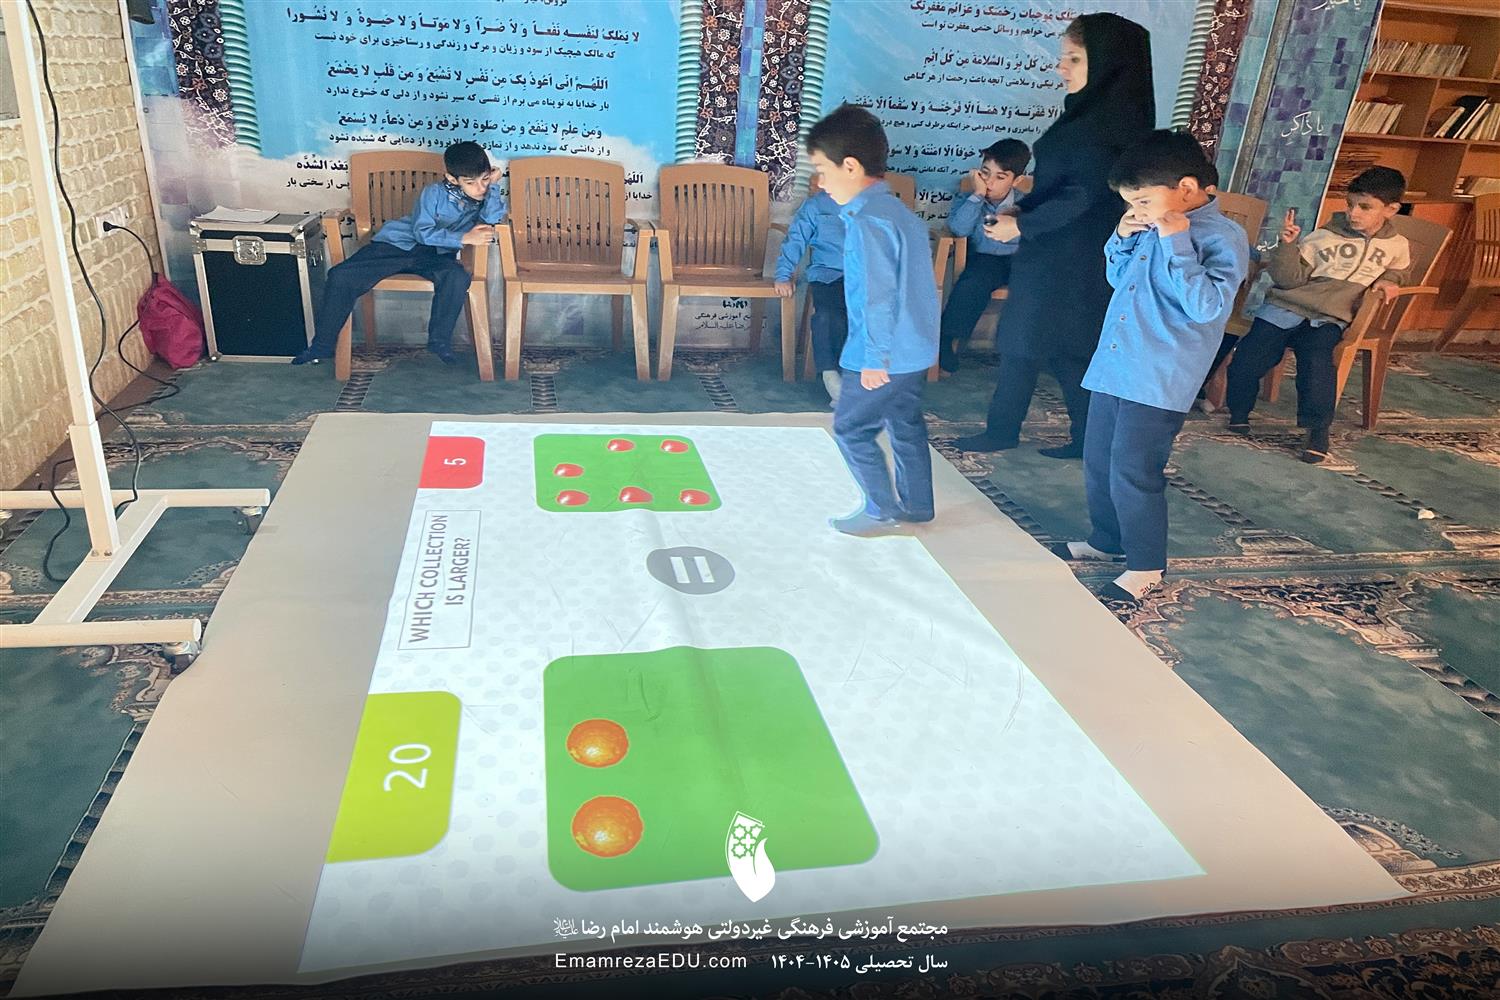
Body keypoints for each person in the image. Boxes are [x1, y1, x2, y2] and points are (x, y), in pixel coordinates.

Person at [1052, 130, 1247, 604]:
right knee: (1099, 460)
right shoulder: (1146, 223)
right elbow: (1119, 279)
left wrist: (1176, 242)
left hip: (1160, 375)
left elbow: (1207, 307)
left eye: (1142, 200)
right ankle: (1107, 539)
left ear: (1186, 188)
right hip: (1116, 363)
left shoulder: (1222, 237)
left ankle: (1145, 565)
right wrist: (1121, 237)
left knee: (1134, 469)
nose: (1136, 210)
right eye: (1130, 203)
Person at [955, 13, 1155, 459]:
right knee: (1033, 346)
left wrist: (1022, 223)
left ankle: (1072, 438)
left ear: (1107, 65)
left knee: (1060, 351)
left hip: (1074, 261)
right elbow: (1060, 186)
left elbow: (1084, 195)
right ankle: (1026, 433)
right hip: (1052, 253)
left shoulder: (1108, 127)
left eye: (1075, 58)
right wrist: (1022, 210)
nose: (1062, 67)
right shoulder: (1086, 116)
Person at [805, 104, 941, 537]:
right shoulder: (899, 213)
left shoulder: (867, 222)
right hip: (914, 349)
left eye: (822, 171)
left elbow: (877, 297)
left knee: (851, 428)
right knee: (905, 421)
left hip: (882, 352)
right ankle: (917, 505)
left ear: (850, 166)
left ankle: (880, 508)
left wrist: (873, 357)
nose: (820, 183)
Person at [1224, 167, 1410, 462]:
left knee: (1317, 366)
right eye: (1350, 204)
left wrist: (1390, 281)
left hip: (1329, 319)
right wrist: (1287, 247)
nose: (1353, 213)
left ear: (1391, 210)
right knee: (1250, 355)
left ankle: (1317, 431)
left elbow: (1399, 270)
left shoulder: (1396, 246)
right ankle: (1239, 411)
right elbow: (1288, 280)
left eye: (1365, 207)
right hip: (1286, 307)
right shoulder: (1323, 236)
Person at [293, 141, 505, 367]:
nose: (480, 188)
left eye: (484, 179)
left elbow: (492, 218)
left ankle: (439, 341)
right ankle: (322, 346)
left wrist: (492, 185)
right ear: (452, 179)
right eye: (471, 183)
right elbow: (422, 233)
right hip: (396, 247)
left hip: (436, 255)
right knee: (341, 275)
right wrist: (463, 238)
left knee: (456, 276)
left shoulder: (485, 195)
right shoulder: (434, 193)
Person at [938, 138, 1030, 372]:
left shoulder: (1027, 204)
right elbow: (959, 229)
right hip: (985, 259)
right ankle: (947, 340)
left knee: (1039, 285)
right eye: (985, 173)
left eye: (1000, 177)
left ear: (1016, 180)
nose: (989, 182)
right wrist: (977, 196)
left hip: (1020, 259)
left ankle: (1030, 352)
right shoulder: (969, 199)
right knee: (973, 283)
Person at [774, 186, 847, 404]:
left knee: (876, 317)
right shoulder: (816, 205)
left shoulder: (876, 203)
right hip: (829, 275)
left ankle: (868, 382)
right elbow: (796, 239)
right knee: (828, 316)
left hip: (869, 279)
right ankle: (832, 377)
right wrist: (783, 275)